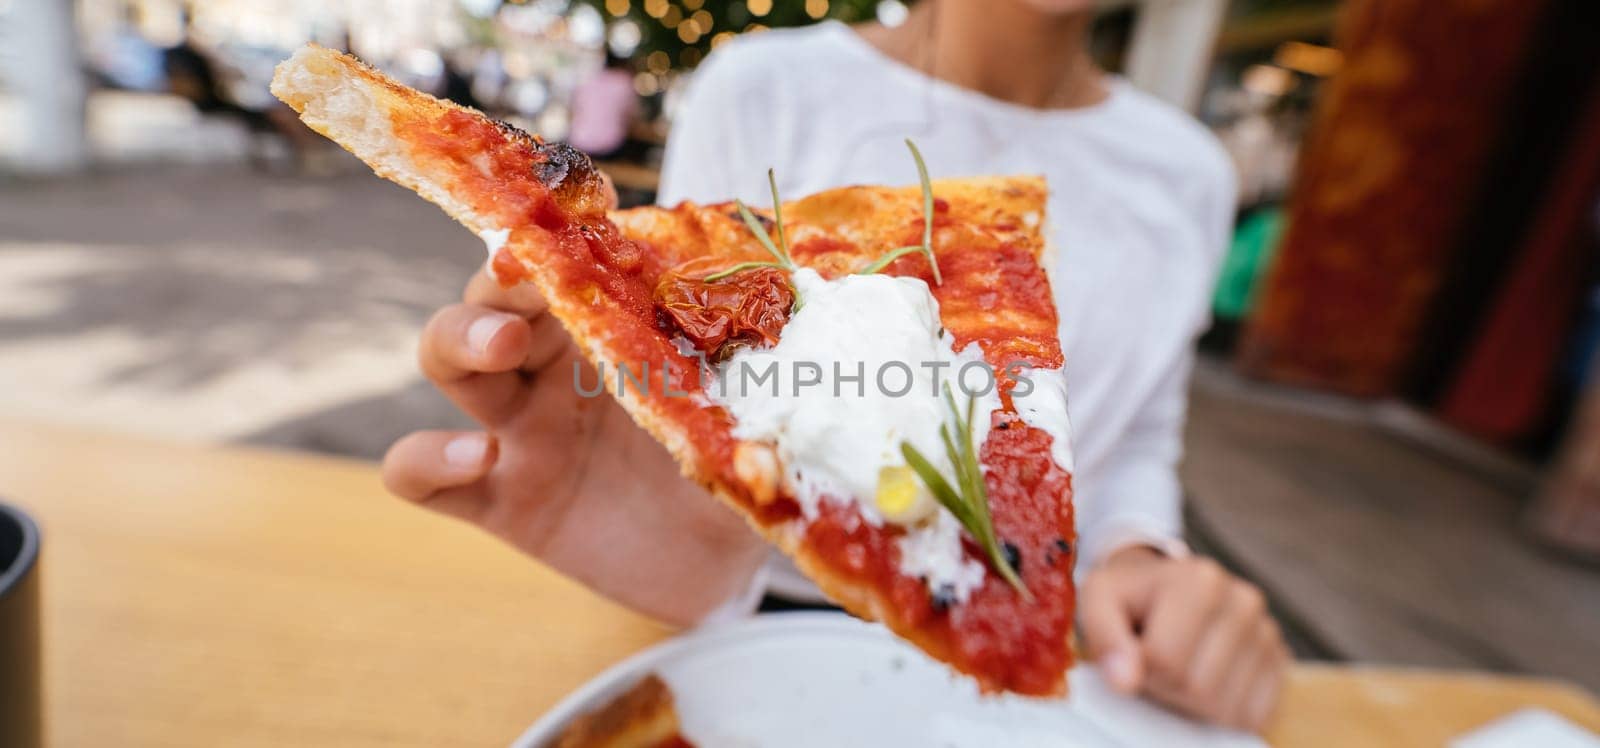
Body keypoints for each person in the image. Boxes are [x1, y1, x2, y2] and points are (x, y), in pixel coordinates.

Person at [380, 0, 1290, 731]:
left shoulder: (1192, 173)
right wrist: (672, 515)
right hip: (745, 629)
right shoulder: (764, 88)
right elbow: (706, 373)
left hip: (1036, 649)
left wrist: (1139, 557)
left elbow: (1133, 437)